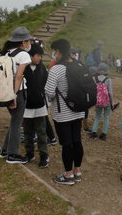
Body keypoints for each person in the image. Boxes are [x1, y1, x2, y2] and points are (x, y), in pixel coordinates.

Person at [45, 39, 85, 185]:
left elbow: (49, 91)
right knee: (77, 140)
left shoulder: (56, 69)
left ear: (59, 51)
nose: (53, 54)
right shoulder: (79, 65)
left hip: (63, 113)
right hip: (79, 111)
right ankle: (77, 171)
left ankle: (68, 175)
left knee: (67, 144)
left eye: (54, 51)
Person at [0, 27, 32, 164]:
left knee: (14, 122)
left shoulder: (6, 53)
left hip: (5, 91)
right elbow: (18, 77)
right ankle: (13, 155)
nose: (30, 43)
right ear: (23, 42)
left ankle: (5, 150)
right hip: (17, 92)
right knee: (17, 123)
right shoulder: (23, 55)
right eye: (28, 40)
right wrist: (14, 96)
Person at [23, 44, 49, 168]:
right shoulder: (23, 68)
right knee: (28, 132)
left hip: (40, 105)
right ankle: (29, 154)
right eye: (38, 55)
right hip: (26, 106)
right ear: (31, 56)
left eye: (40, 56)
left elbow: (46, 83)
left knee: (41, 132)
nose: (39, 58)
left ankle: (44, 156)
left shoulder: (42, 68)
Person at [90, 63, 118, 140]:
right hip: (107, 102)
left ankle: (94, 132)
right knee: (106, 117)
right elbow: (110, 92)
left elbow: (92, 91)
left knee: (97, 117)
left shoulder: (94, 79)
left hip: (98, 101)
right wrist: (112, 103)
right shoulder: (108, 80)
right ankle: (104, 134)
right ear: (106, 71)